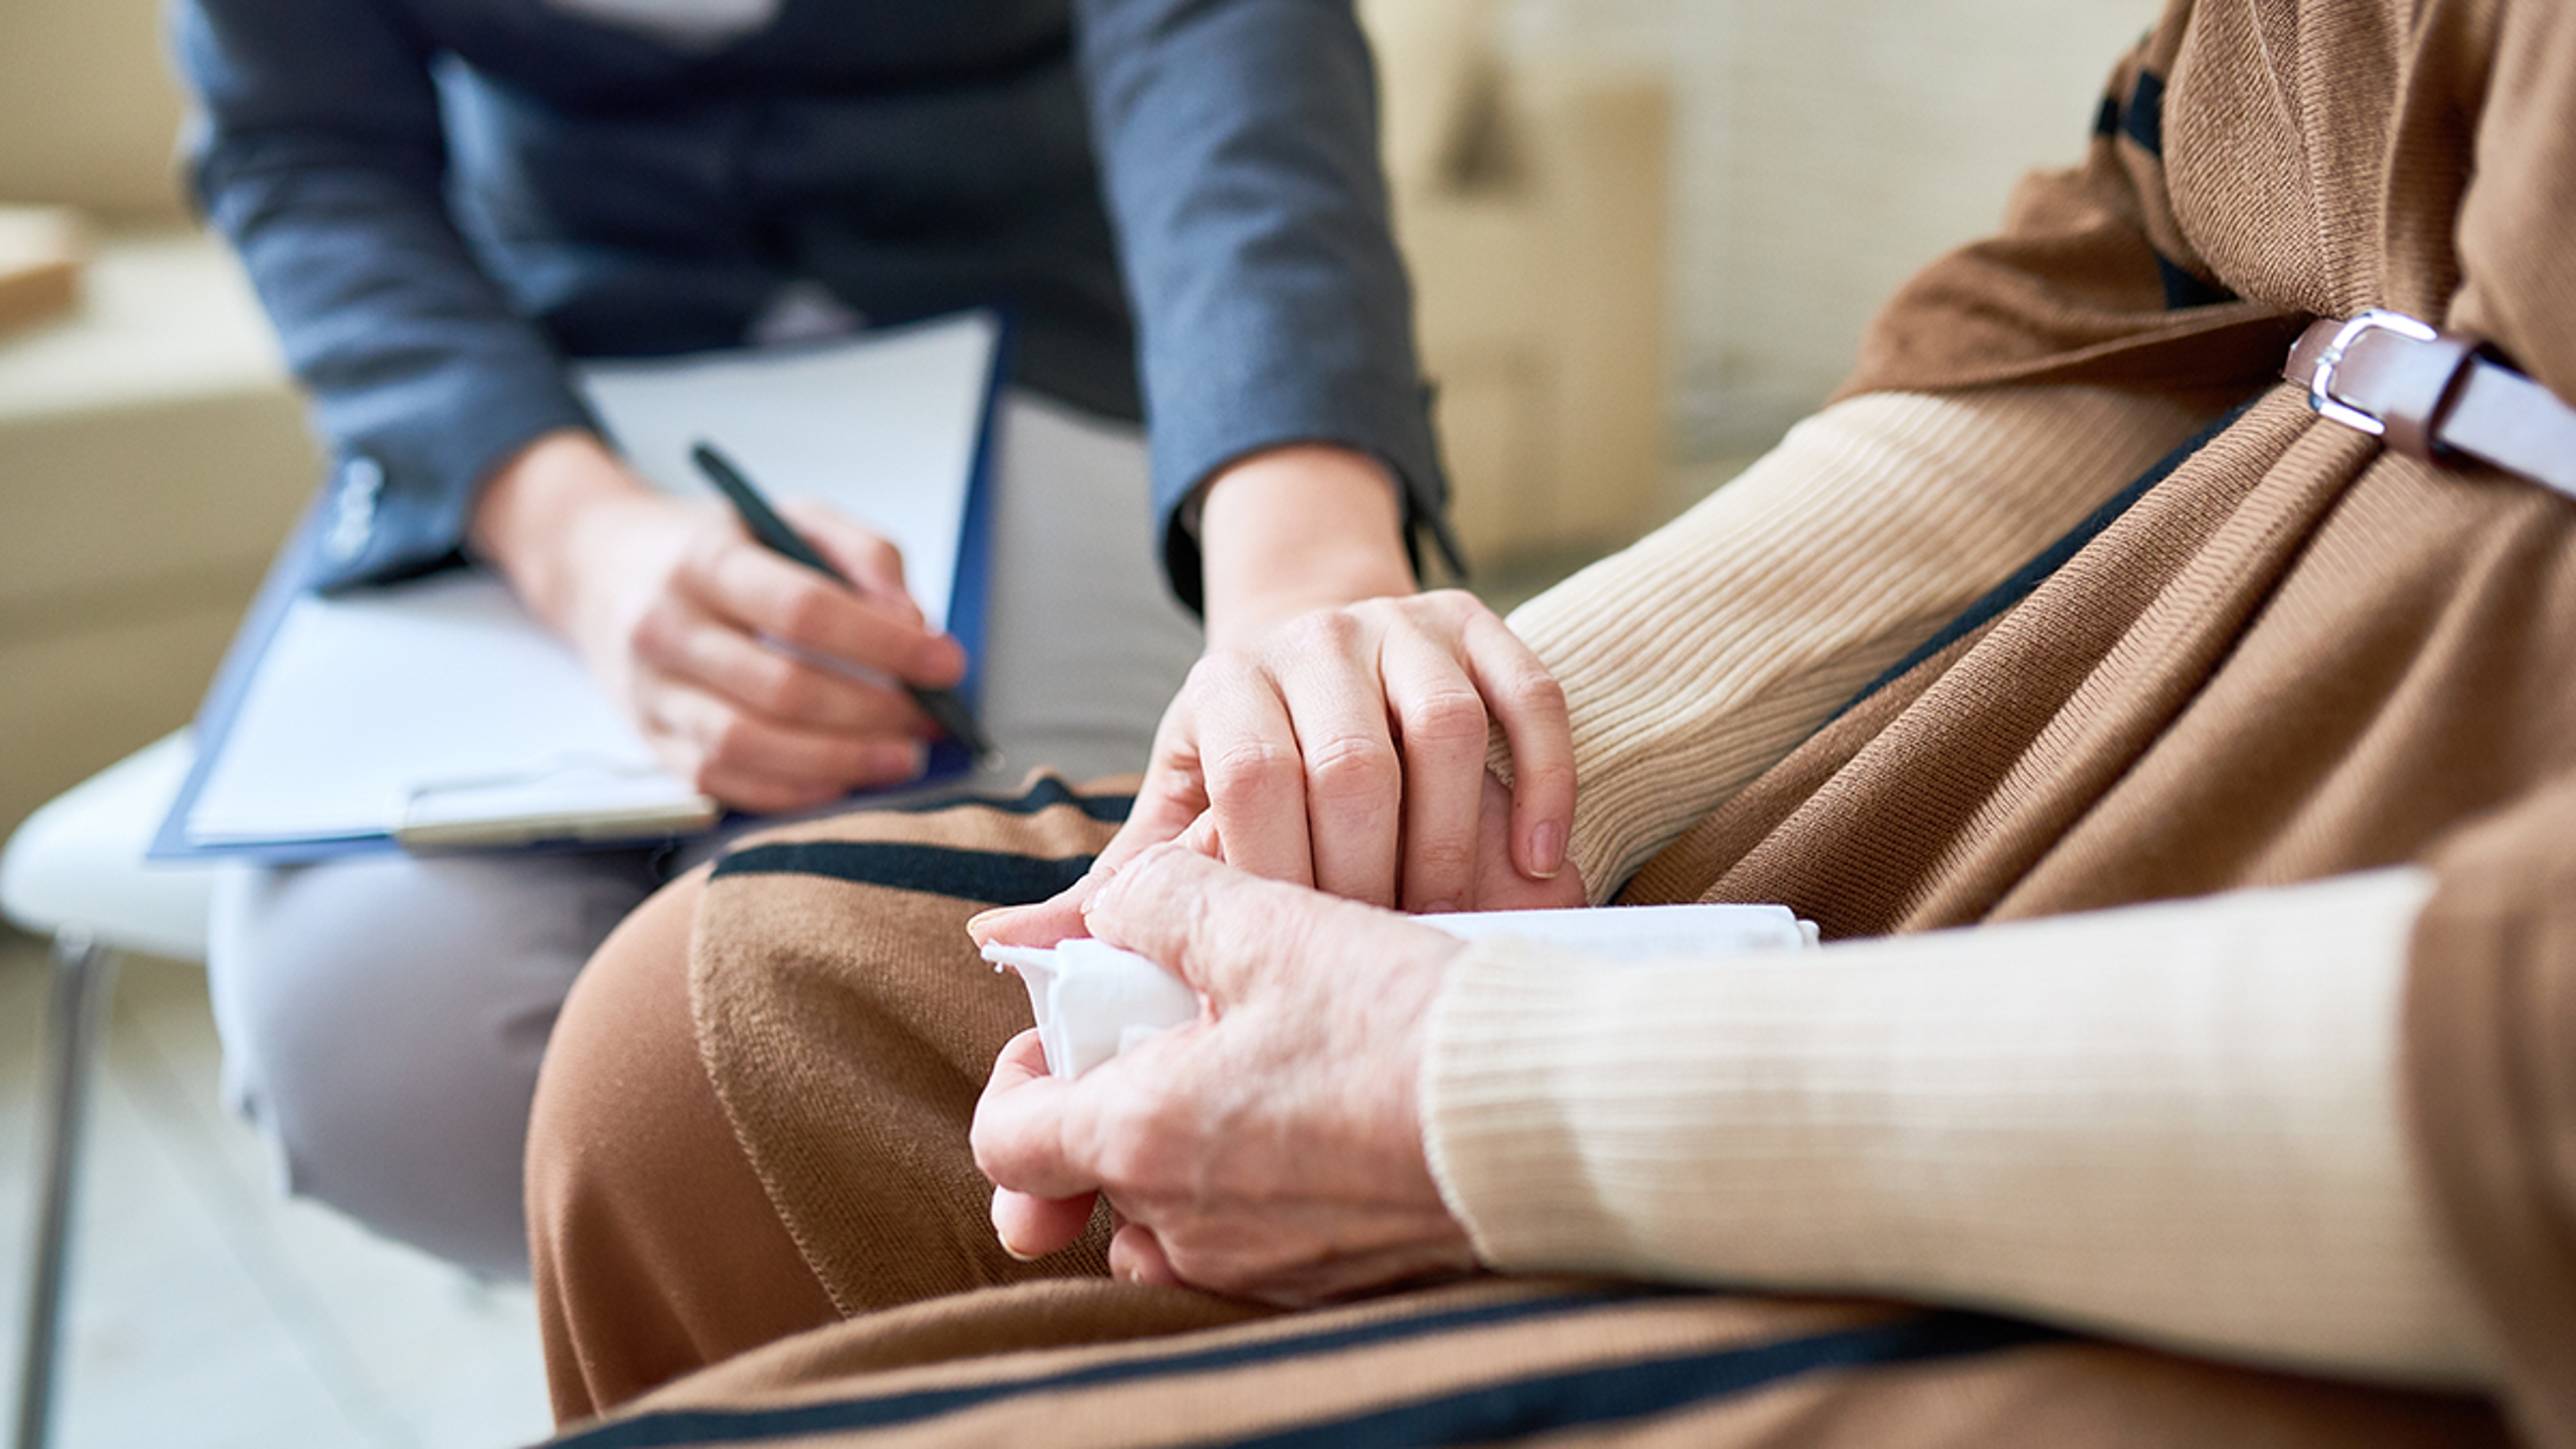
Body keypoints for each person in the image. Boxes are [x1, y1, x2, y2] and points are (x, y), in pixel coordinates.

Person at [525, 0, 2575, 1442]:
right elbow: (2145, 261)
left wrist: (1501, 1087)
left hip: (2449, 1072)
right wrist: (1483, 747)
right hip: (2111, 661)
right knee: (697, 1042)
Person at [175, 0, 1575, 1277]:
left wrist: (1300, 561)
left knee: (968, 1018)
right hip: (543, 413)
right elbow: (302, 149)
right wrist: (577, 540)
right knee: (375, 1058)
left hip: (1053, 347)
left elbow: (1222, 47)